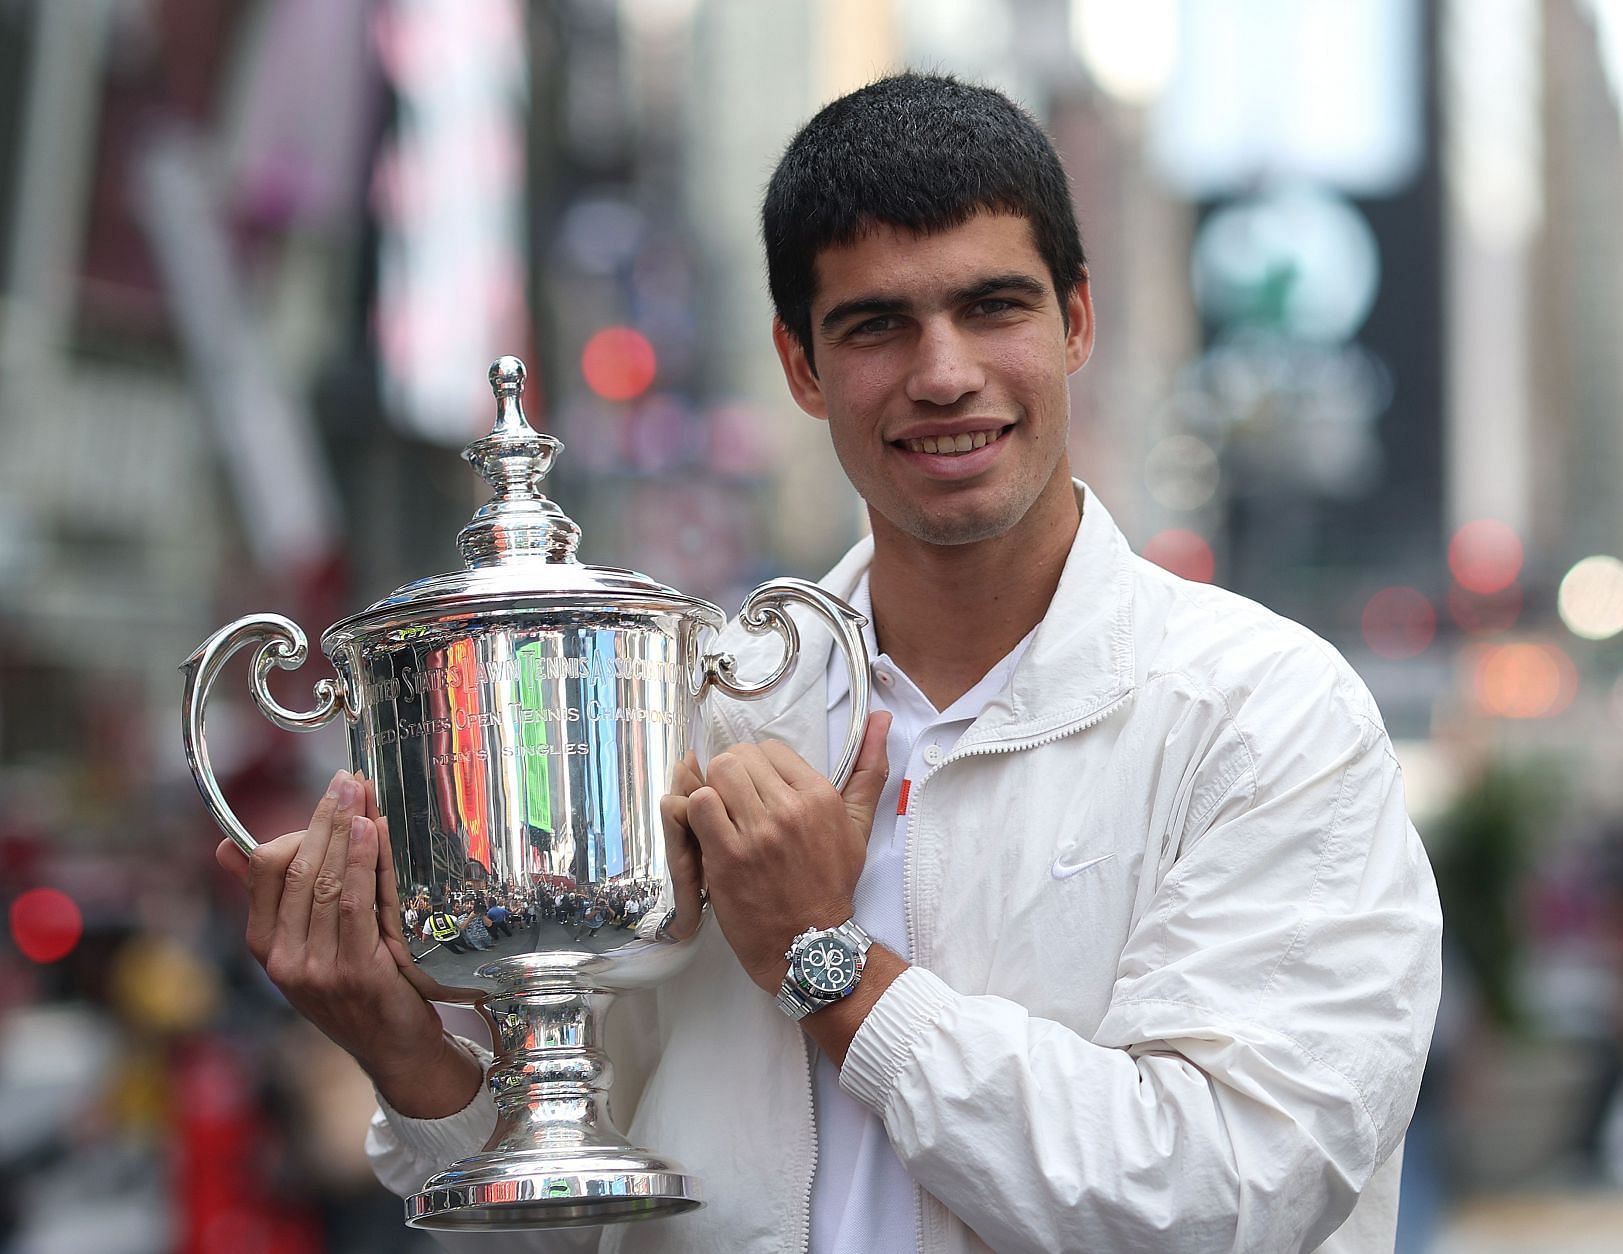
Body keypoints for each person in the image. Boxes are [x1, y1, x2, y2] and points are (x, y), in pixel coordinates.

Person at [216, 73, 1441, 1252]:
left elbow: (1225, 1195)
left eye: (993, 307)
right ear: (802, 366)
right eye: (876, 326)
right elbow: (586, 1219)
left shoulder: (1262, 713)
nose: (944, 372)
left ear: (1075, 320)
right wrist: (410, 1059)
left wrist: (831, 965)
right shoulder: (697, 716)